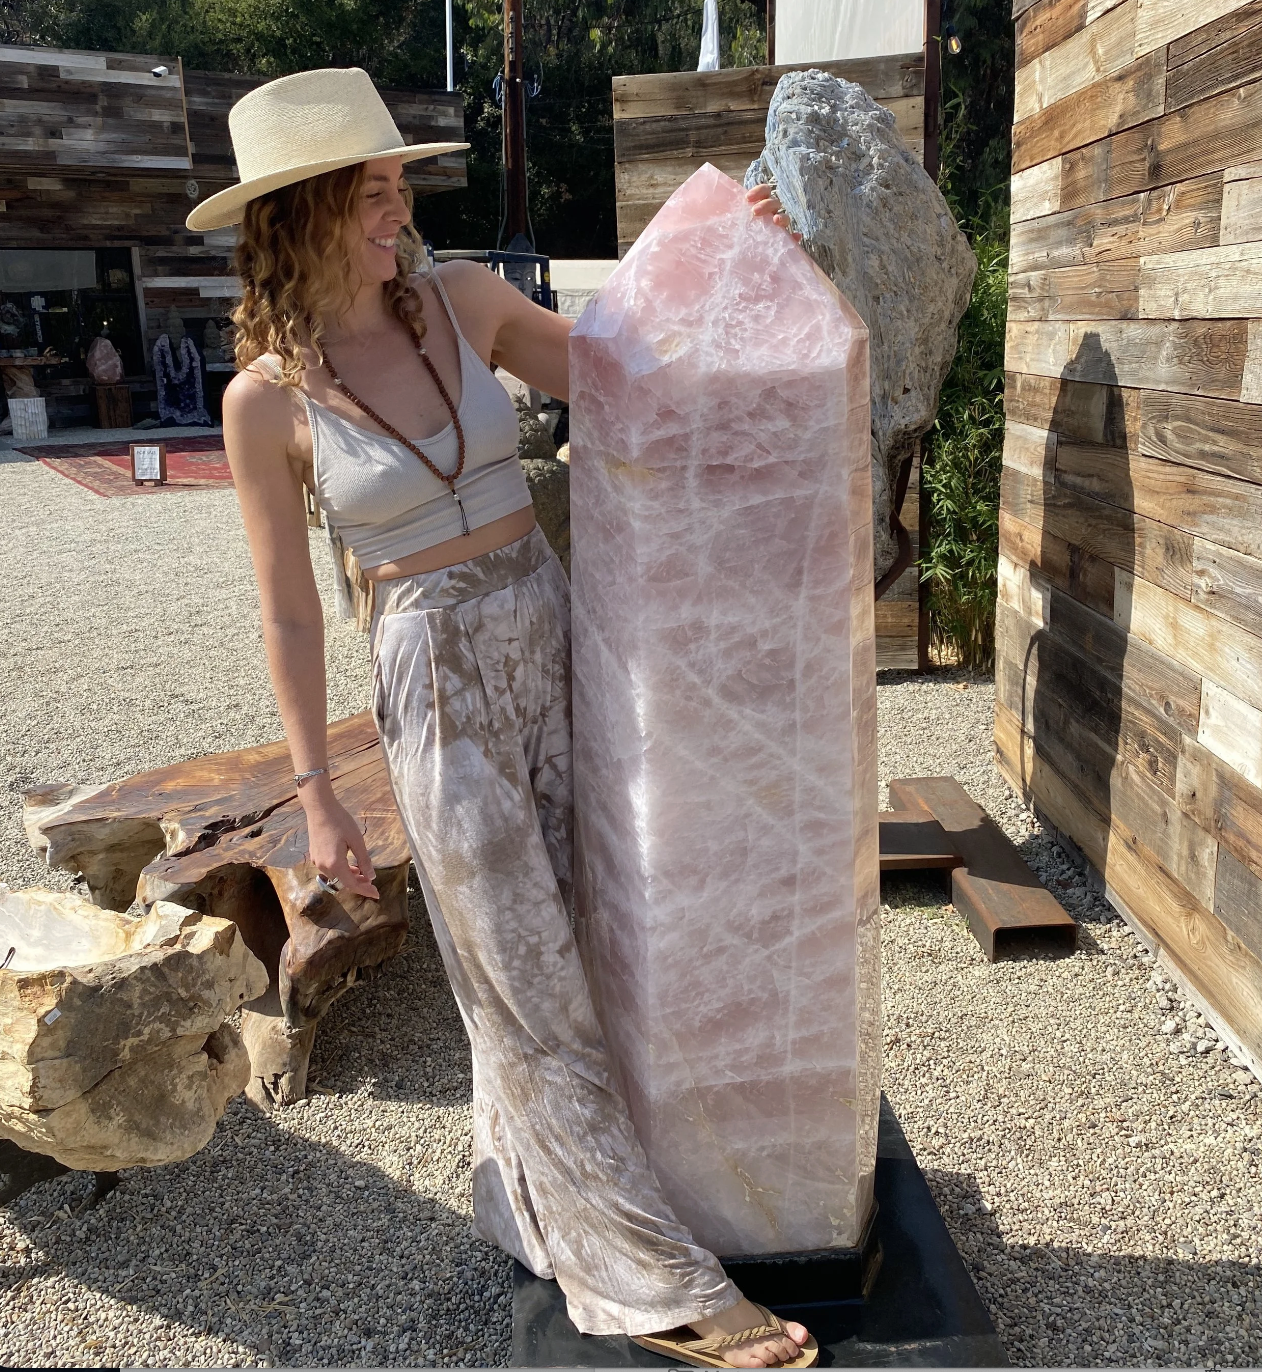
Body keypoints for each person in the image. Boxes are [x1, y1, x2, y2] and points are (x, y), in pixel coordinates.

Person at [194, 67, 815, 1370]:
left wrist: (724, 254)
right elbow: (291, 616)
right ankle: (653, 1283)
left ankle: (527, 1198)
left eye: (398, 185)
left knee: (603, 924)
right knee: (525, 981)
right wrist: (318, 798)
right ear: (304, 212)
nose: (399, 209)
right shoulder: (265, 402)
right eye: (373, 192)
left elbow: (625, 368)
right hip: (434, 680)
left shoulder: (464, 301)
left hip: (554, 632)